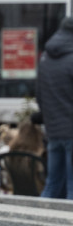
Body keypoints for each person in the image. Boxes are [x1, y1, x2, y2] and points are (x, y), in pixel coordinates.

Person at [37, 16, 73, 200]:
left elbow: (39, 95)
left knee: (52, 184)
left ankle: (39, 217)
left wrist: (48, 119)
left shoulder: (45, 58)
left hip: (53, 130)